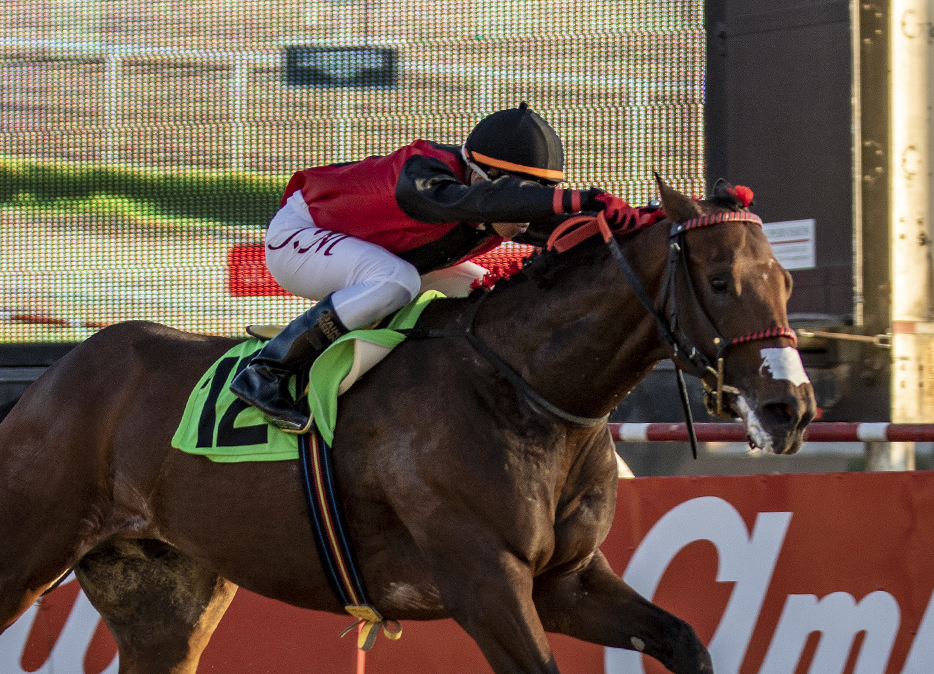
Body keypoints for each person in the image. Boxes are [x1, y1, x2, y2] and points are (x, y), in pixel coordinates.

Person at [230, 102, 641, 432]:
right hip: (299, 234)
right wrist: (581, 197)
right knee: (398, 282)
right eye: (521, 197)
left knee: (484, 291)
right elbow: (475, 204)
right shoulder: (424, 173)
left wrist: (643, 222)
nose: (526, 218)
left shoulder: (486, 195)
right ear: (479, 176)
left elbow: (571, 228)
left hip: (377, 249)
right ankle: (266, 370)